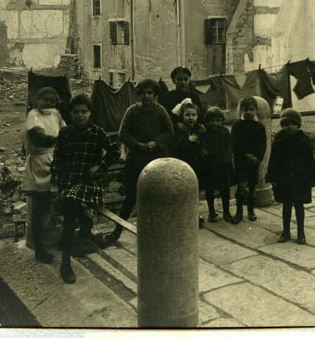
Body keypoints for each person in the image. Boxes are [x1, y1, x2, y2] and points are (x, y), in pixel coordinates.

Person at [51, 93, 119, 284]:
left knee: (69, 215)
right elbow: (57, 159)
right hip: (68, 182)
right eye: (76, 112)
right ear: (70, 114)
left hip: (89, 183)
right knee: (69, 211)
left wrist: (100, 167)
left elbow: (114, 151)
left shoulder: (97, 132)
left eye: (83, 111)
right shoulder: (65, 133)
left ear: (89, 113)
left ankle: (66, 263)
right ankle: (84, 225)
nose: (80, 115)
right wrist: (56, 183)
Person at [102, 79, 174, 246]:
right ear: (138, 94)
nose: (146, 96)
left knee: (158, 196)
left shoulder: (160, 111)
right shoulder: (132, 111)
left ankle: (161, 233)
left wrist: (156, 143)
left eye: (150, 93)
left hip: (157, 161)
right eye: (143, 93)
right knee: (131, 197)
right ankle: (117, 231)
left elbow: (170, 132)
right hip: (135, 160)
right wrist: (137, 144)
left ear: (155, 95)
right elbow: (123, 133)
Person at [22, 86, 66, 264]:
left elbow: (65, 129)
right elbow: (40, 138)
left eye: (52, 101)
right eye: (45, 100)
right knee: (39, 208)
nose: (49, 103)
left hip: (55, 162)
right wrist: (62, 139)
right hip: (39, 164)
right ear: (37, 100)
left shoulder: (55, 114)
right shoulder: (33, 115)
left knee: (54, 205)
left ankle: (55, 240)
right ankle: (39, 248)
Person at [265, 108, 315, 244]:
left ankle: (301, 233)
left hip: (300, 179)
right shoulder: (279, 140)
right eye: (286, 124)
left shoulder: (303, 140)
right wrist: (272, 176)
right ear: (282, 125)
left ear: (298, 125)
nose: (290, 127)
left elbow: (310, 161)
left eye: (293, 124)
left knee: (299, 206)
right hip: (285, 179)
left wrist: (312, 177)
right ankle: (286, 232)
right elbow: (273, 160)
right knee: (286, 205)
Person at [230, 96, 267, 224]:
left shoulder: (259, 126)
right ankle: (239, 212)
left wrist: (258, 158)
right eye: (245, 109)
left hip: (254, 161)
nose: (248, 112)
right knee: (241, 185)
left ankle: (251, 210)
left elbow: (263, 144)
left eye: (251, 109)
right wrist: (246, 155)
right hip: (241, 160)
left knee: (252, 186)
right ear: (241, 111)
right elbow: (235, 144)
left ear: (256, 110)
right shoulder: (237, 125)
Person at [171, 100, 206, 228]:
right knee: (183, 191)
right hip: (183, 164)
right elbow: (175, 147)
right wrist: (188, 141)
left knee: (195, 191)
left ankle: (195, 215)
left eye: (193, 115)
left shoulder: (199, 129)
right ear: (182, 116)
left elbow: (203, 147)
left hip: (196, 165)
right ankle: (183, 217)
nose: (190, 118)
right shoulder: (179, 129)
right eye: (187, 115)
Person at [202, 107, 234, 223]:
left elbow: (228, 148)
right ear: (207, 121)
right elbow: (203, 147)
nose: (214, 123)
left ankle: (226, 212)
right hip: (209, 165)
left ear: (222, 121)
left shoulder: (225, 132)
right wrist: (204, 154)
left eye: (218, 120)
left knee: (225, 189)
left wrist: (225, 162)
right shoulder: (205, 133)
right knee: (209, 189)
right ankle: (211, 212)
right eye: (211, 120)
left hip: (222, 165)